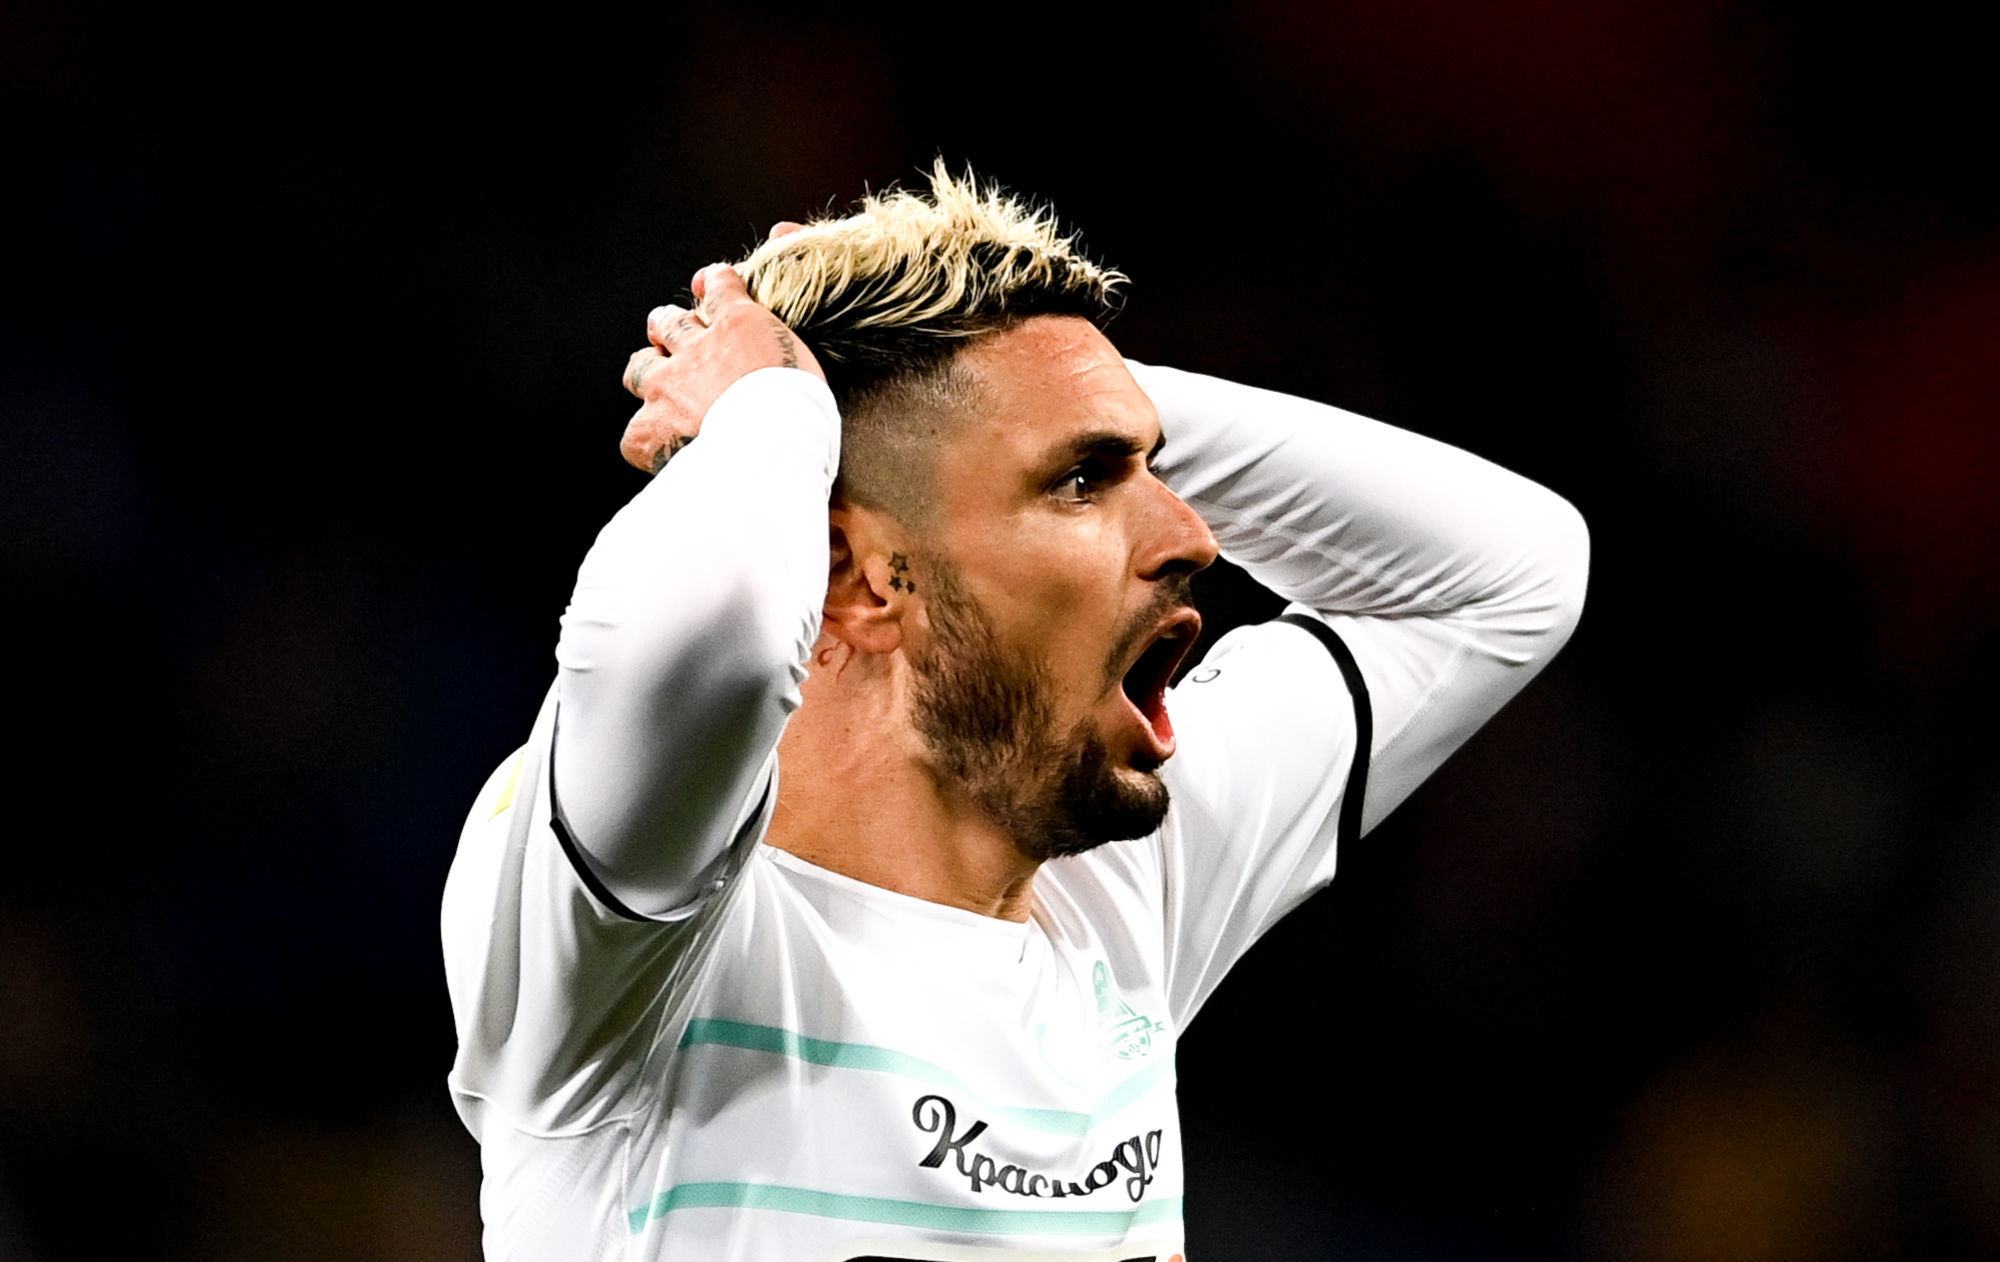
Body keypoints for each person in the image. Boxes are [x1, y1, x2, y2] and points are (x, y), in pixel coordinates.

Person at [442, 166, 1589, 1262]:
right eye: (1082, 480)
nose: (1193, 536)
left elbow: (1513, 573)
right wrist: (780, 406)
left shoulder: (1118, 888)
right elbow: (718, 635)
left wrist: (1050, 390)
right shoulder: (627, 930)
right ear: (854, 575)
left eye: (1149, 468)